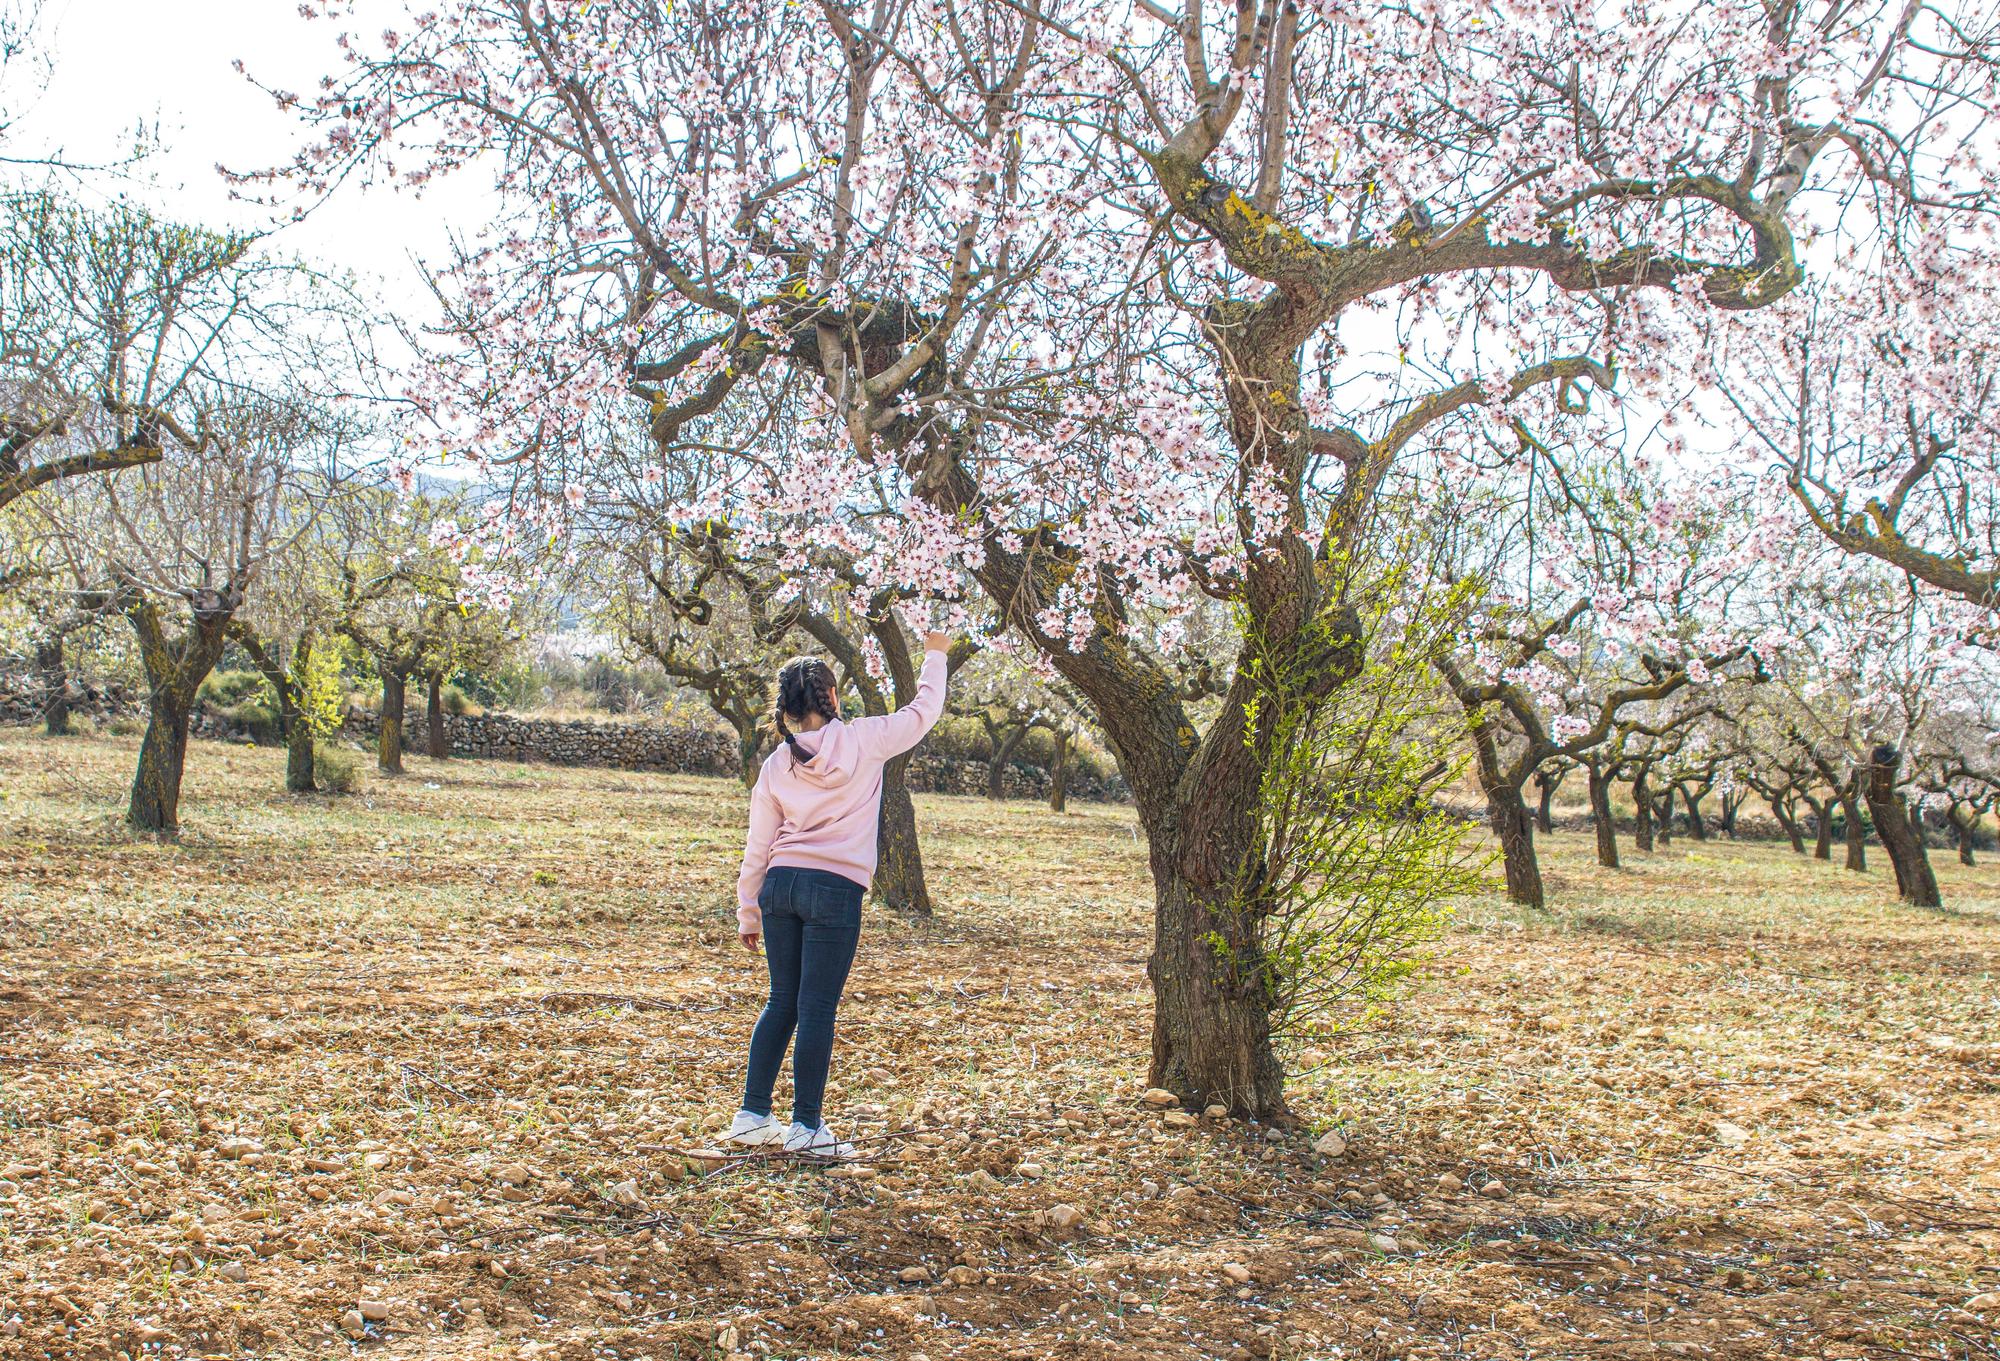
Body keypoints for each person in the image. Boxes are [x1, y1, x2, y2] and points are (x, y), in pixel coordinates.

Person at [725, 630, 952, 1158]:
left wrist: (748, 910)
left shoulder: (776, 764)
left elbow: (758, 843)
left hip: (779, 885)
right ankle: (807, 1127)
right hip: (835, 889)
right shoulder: (864, 739)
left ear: (783, 707)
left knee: (782, 1000)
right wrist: (935, 653)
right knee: (817, 1006)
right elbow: (924, 711)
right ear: (831, 697)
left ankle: (751, 1115)